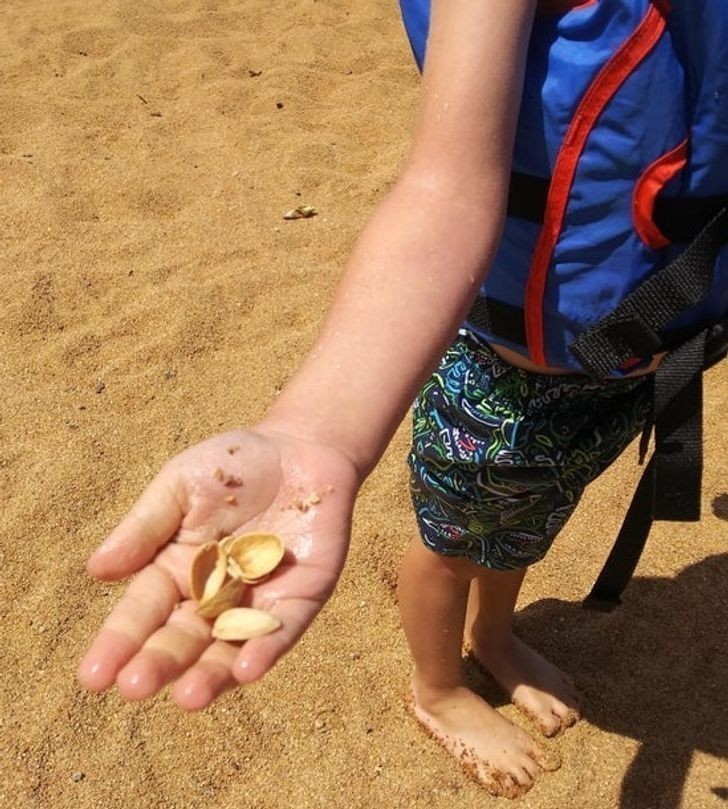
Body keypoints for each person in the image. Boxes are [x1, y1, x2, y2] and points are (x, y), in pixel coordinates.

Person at [78, 0, 727, 799]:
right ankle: (437, 686)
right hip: (502, 377)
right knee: (453, 543)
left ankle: (491, 635)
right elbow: (444, 190)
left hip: (630, 368)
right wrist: (316, 430)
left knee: (521, 526)